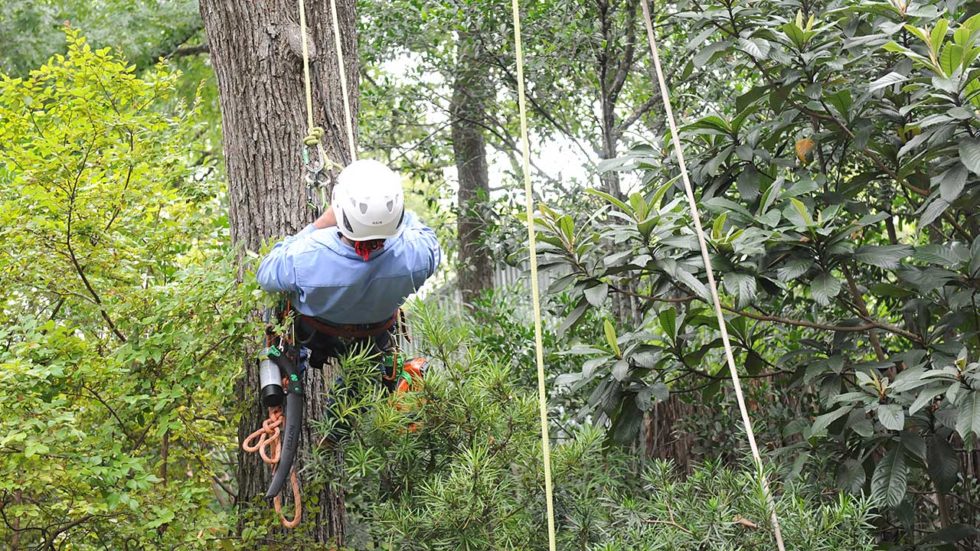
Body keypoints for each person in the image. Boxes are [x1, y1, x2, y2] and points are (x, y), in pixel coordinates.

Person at [256, 159, 441, 399]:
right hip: (372, 338)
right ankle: (338, 431)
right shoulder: (417, 255)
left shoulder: (307, 254)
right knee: (360, 381)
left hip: (314, 333)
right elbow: (424, 235)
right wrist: (386, 215)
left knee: (281, 307)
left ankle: (290, 377)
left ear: (340, 208)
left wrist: (320, 224)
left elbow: (266, 272)